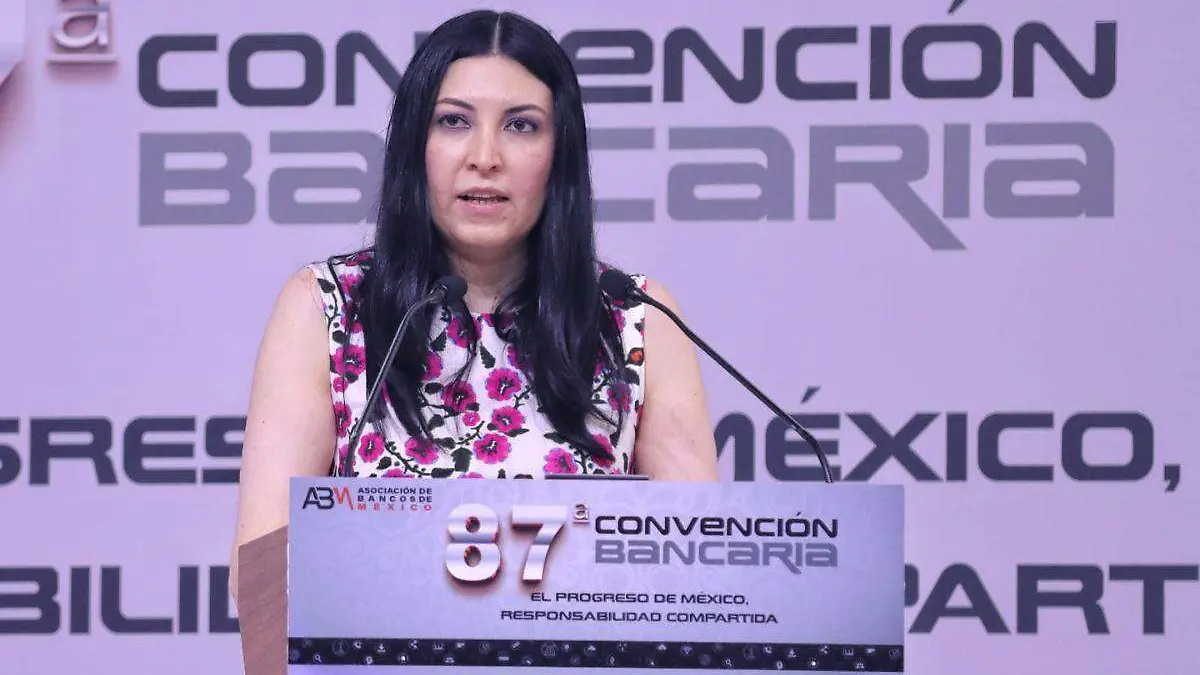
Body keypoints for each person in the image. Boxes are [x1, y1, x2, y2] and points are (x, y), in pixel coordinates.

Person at [228, 9, 718, 598]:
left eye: (521, 126)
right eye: (454, 121)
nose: (485, 157)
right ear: (416, 145)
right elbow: (262, 577)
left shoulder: (636, 318)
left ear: (559, 153)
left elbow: (700, 569)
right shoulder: (327, 308)